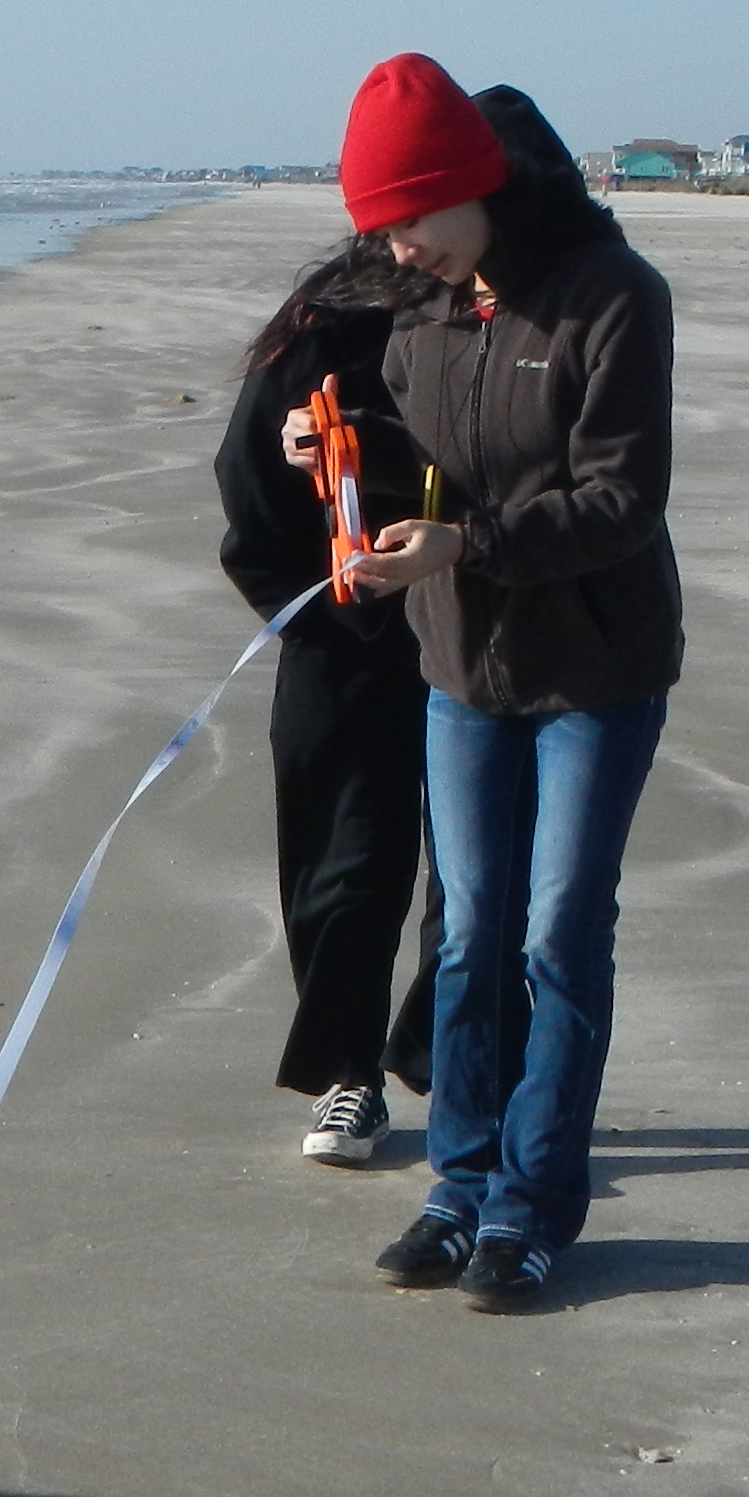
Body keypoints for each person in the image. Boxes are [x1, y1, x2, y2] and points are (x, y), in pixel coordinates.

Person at [290, 54, 684, 1313]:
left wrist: (472, 544)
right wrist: (329, 443)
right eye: (381, 231)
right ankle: (456, 1191)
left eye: (407, 222)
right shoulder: (422, 311)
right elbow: (422, 453)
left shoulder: (614, 296)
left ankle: (529, 1211)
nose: (395, 252)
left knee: (560, 933)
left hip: (596, 670)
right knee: (465, 934)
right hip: (464, 663)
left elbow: (621, 501)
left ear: (470, 188)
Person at [214, 241, 448, 1163]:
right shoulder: (328, 311)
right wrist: (299, 606)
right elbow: (248, 473)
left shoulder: (500, 306)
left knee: (475, 871)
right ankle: (347, 1075)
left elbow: (517, 463)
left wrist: (387, 448)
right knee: (337, 863)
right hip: (337, 628)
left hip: (481, 619)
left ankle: (451, 1060)